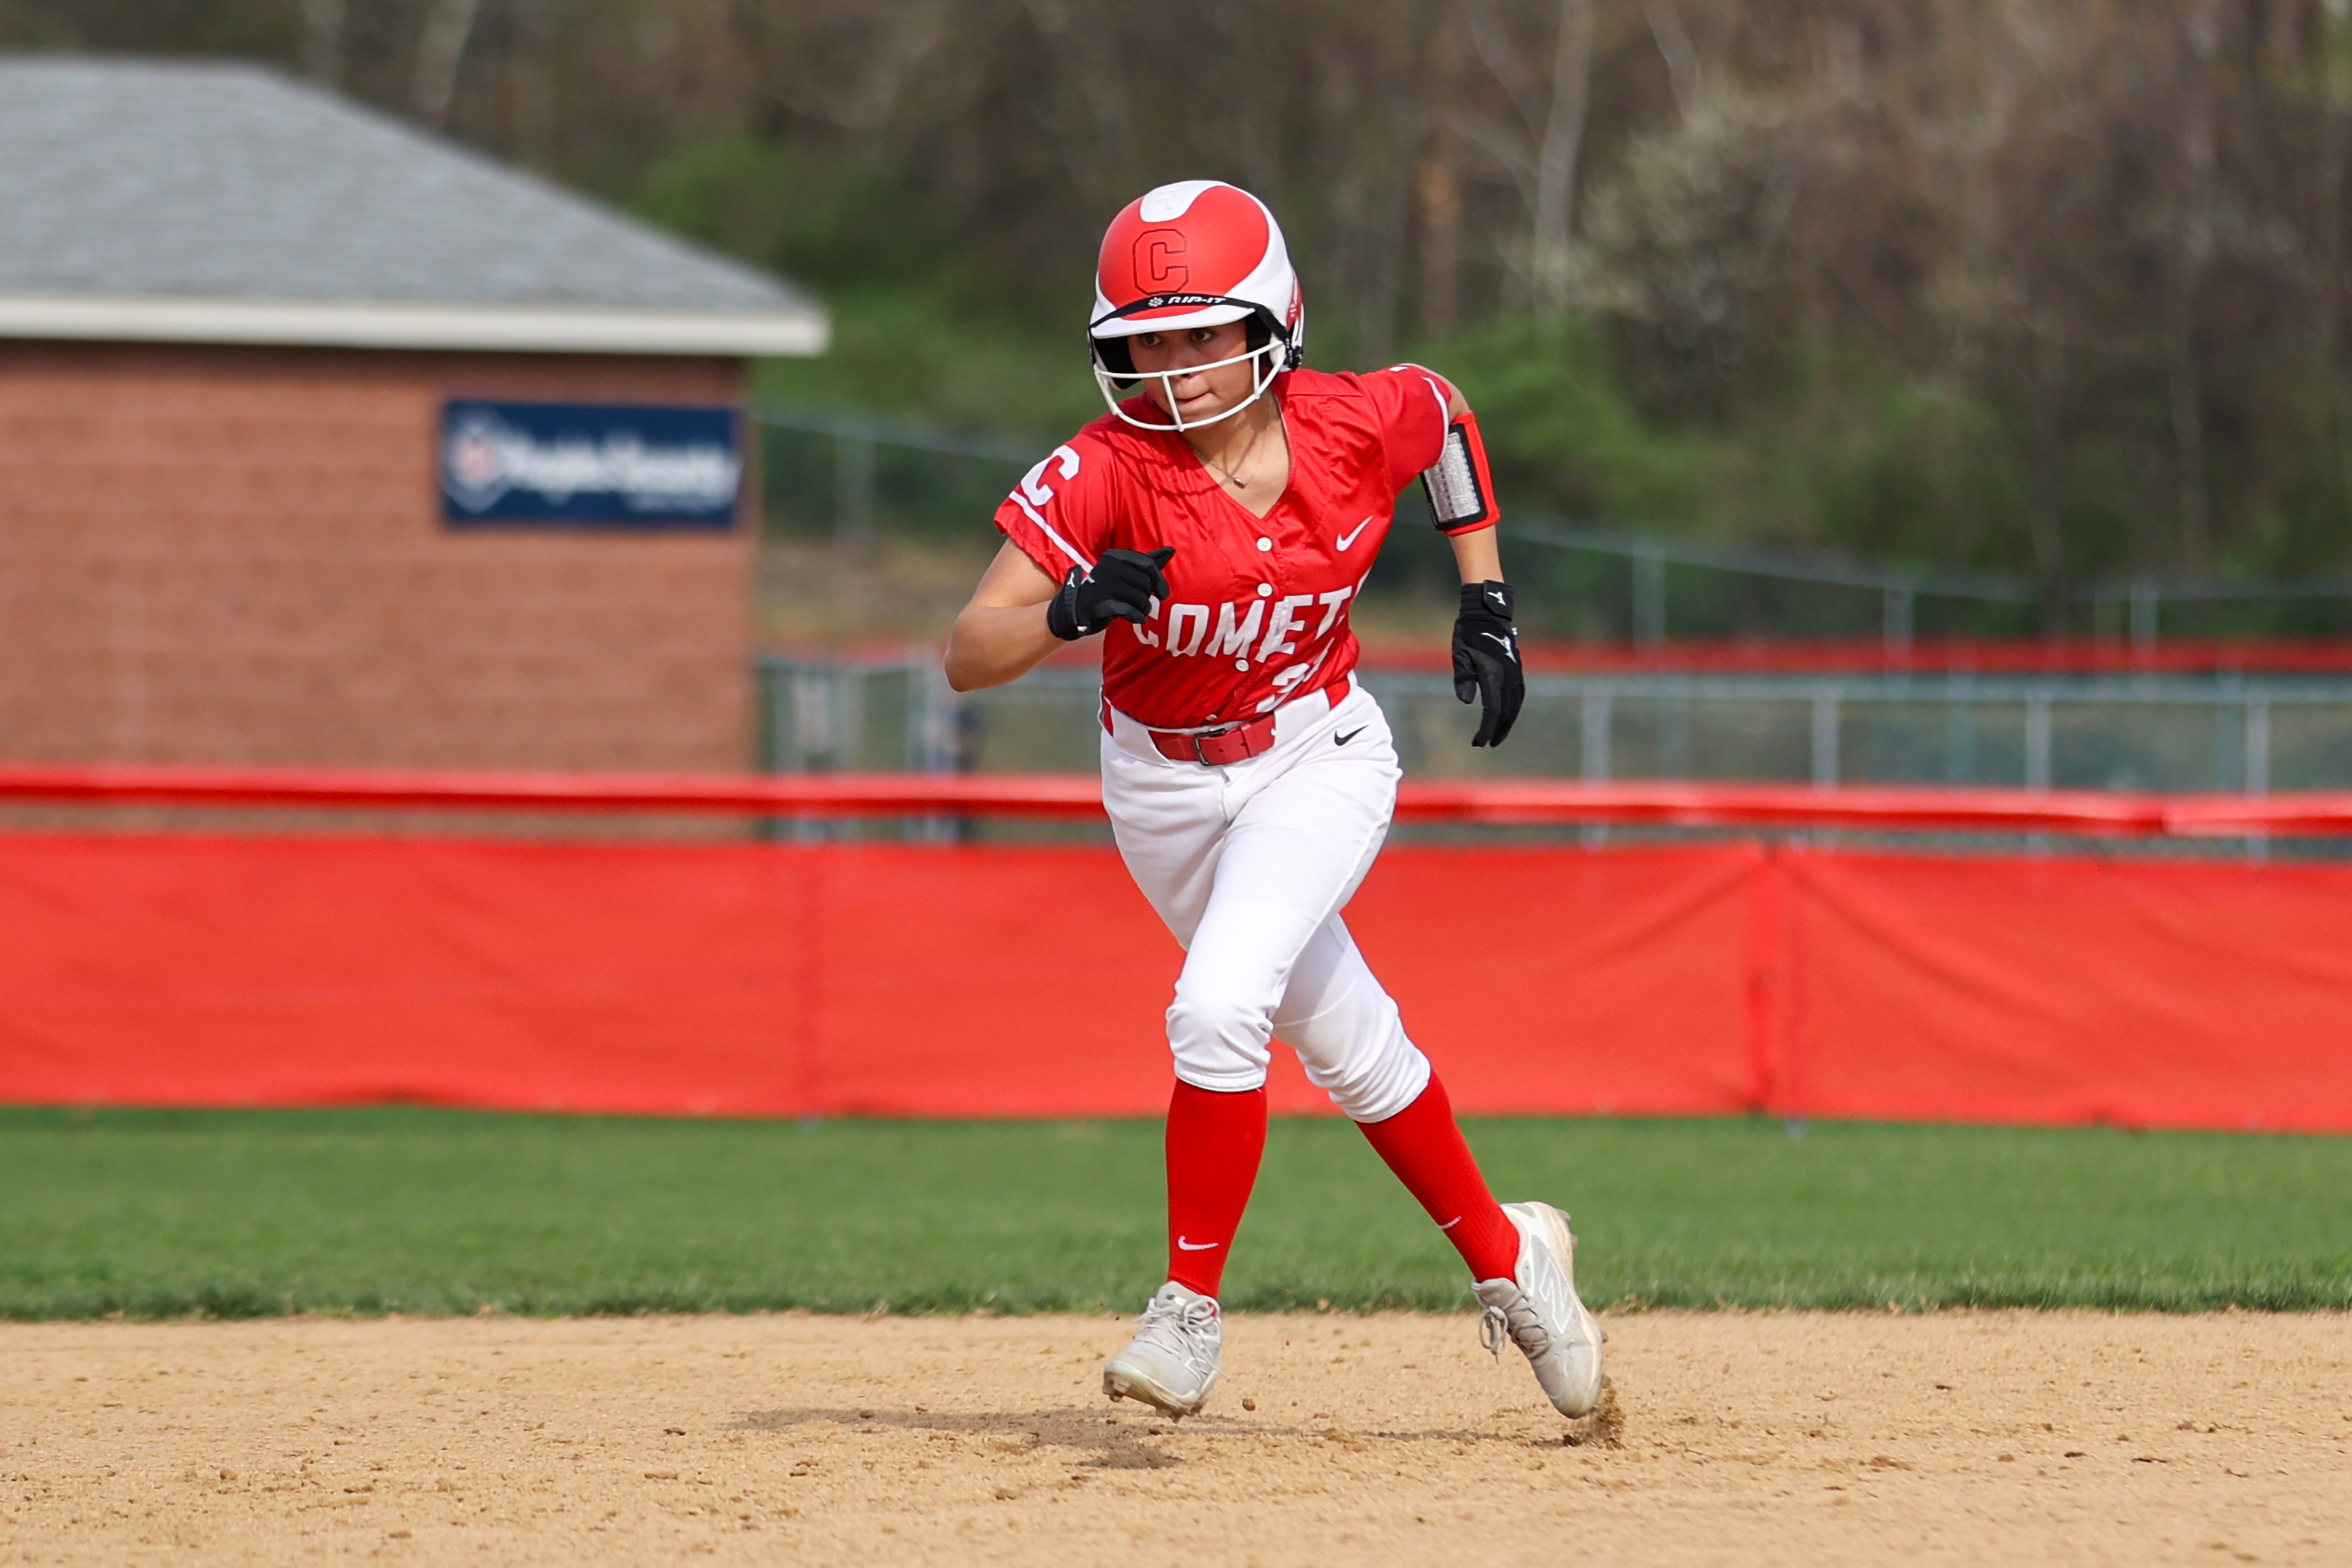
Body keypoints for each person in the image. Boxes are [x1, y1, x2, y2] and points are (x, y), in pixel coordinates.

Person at [942, 180, 1603, 1422]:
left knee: (1217, 1009)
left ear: (1275, 319)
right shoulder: (1105, 471)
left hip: (1319, 753)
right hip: (1158, 785)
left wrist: (1487, 598)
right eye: (1148, 339)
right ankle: (1519, 1264)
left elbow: (1446, 415)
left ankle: (1187, 1310)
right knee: (1352, 1047)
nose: (1177, 367)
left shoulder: (1349, 420)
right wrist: (1069, 611)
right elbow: (970, 648)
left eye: (1202, 332)